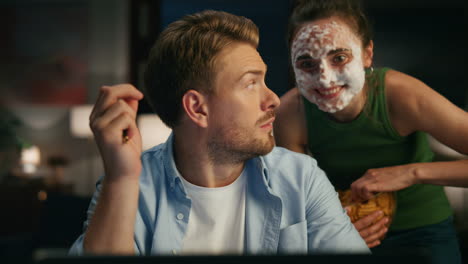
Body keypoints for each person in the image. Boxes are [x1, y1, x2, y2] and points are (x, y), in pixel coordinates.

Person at [69, 10, 369, 256]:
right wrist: (121, 179)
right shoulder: (131, 186)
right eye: (251, 83)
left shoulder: (301, 179)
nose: (273, 99)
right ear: (197, 109)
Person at [274, 0, 468, 263]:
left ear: (367, 54)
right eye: (307, 64)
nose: (325, 79)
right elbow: (295, 206)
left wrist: (412, 172)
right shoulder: (289, 114)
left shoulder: (402, 95)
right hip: (340, 234)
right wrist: (329, 228)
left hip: (423, 232)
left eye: (339, 58)